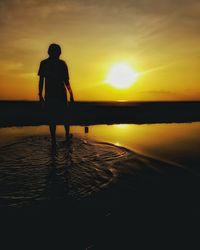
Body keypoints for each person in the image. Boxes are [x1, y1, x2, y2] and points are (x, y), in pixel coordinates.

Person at [38, 43, 74, 144]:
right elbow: (66, 81)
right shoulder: (61, 64)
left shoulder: (44, 63)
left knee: (52, 118)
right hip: (59, 95)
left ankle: (54, 138)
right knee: (64, 116)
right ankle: (66, 136)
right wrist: (71, 94)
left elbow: (41, 81)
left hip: (51, 95)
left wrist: (40, 95)